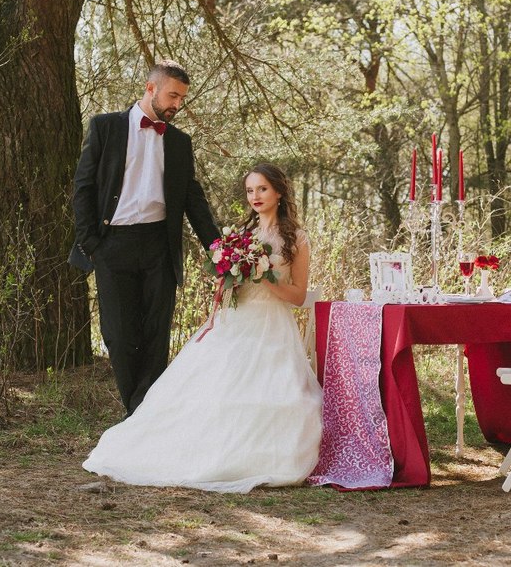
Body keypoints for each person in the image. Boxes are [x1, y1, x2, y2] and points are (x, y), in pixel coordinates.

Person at [82, 163, 323, 492]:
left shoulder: (297, 239)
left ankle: (256, 456)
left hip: (271, 324)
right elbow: (231, 286)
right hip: (235, 320)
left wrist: (264, 276)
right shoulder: (243, 236)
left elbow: (297, 296)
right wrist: (229, 278)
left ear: (279, 191)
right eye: (250, 190)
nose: (255, 196)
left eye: (262, 189)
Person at [69, 60, 221, 416]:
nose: (177, 104)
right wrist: (92, 244)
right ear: (151, 88)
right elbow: (83, 186)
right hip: (112, 245)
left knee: (156, 336)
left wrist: (220, 251)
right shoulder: (106, 127)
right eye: (172, 96)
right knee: (119, 336)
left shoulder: (180, 142)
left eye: (182, 99)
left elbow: (193, 201)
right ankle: (137, 409)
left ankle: (143, 417)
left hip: (159, 246)